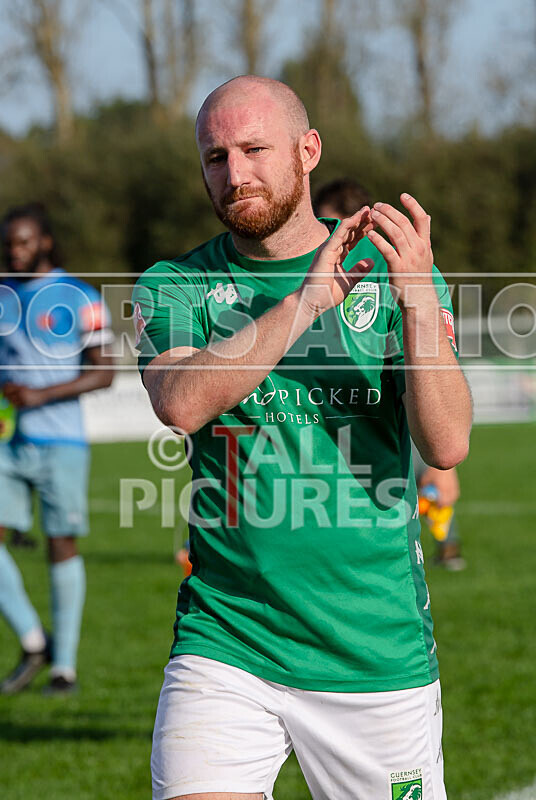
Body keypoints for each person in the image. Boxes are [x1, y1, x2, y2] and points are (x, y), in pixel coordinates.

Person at [133, 76, 472, 800]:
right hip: (227, 641)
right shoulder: (175, 284)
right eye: (216, 157)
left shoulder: (396, 274)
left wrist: (416, 299)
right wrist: (305, 300)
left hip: (372, 650)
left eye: (255, 149)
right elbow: (181, 403)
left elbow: (446, 444)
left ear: (307, 149)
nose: (235, 173)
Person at [314, 178, 466, 570]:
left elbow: (438, 410)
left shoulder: (396, 278)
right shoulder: (305, 284)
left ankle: (448, 544)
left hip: (394, 419)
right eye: (324, 229)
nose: (335, 243)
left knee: (431, 477)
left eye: (338, 226)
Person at [0, 203, 115, 694]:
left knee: (60, 545)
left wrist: (40, 395)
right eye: (8, 244)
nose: (14, 251)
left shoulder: (81, 296)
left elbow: (105, 372)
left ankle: (63, 666)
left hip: (63, 440)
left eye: (23, 242)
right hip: (8, 442)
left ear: (45, 242)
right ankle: (32, 638)